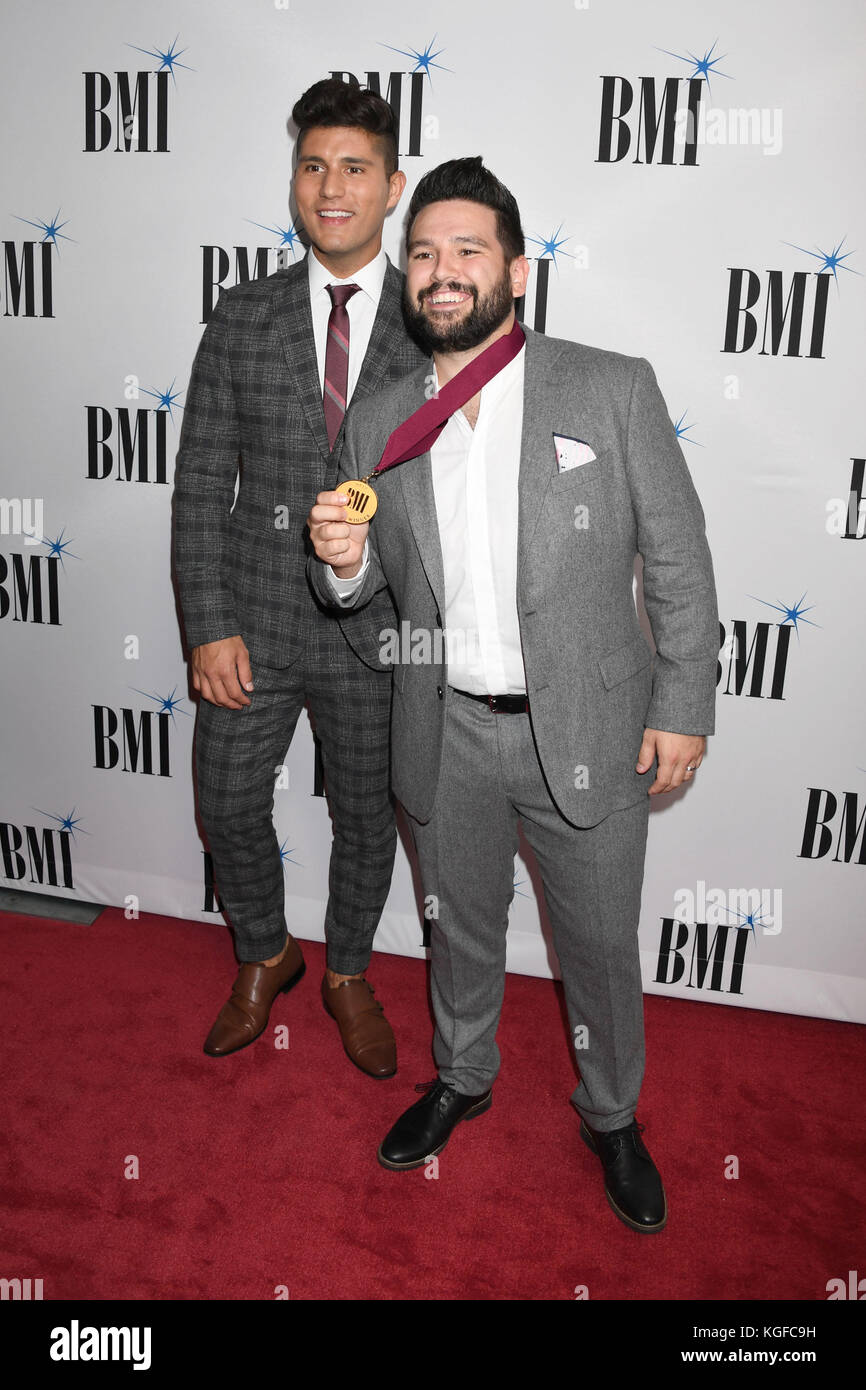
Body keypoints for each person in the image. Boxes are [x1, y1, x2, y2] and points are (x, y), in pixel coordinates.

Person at [306, 157, 718, 1232]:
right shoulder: (381, 417)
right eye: (425, 253)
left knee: (597, 942)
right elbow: (360, 591)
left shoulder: (609, 385)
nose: (442, 272)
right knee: (458, 929)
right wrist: (340, 559)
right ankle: (462, 1072)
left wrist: (682, 701)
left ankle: (612, 1113)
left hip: (585, 727)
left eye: (467, 251)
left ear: (516, 271)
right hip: (442, 732)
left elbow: (675, 558)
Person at [172, 79, 426, 1074]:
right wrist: (205, 624)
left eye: (353, 168)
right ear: (294, 180)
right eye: (313, 165)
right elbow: (199, 479)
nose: (330, 186)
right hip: (254, 616)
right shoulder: (243, 315)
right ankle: (265, 952)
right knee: (227, 798)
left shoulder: (430, 320)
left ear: (390, 185)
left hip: (381, 627)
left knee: (365, 814)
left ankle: (348, 971)